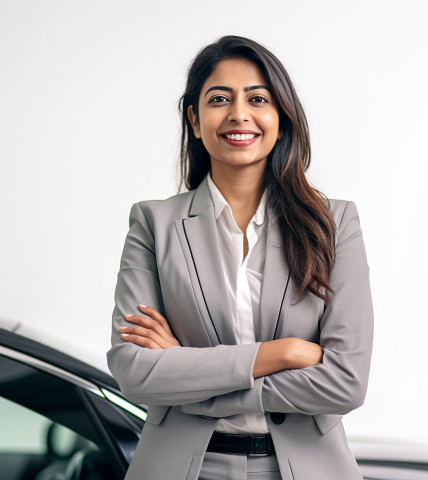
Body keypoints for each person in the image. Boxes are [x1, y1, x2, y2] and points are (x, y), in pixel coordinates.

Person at [107, 35, 374, 480]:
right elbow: (135, 371)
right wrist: (280, 353)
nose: (238, 113)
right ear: (194, 119)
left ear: (280, 117)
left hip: (308, 468)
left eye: (257, 98)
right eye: (219, 99)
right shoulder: (153, 224)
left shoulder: (334, 223)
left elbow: (345, 381)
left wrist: (187, 378)